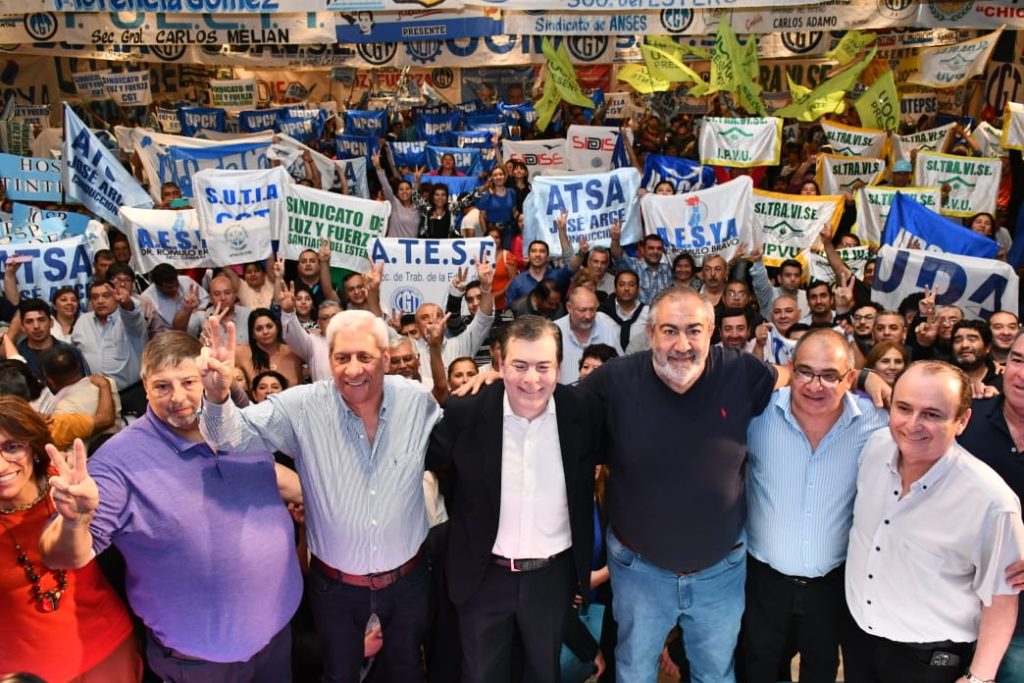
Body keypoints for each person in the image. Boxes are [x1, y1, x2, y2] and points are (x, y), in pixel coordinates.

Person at [40, 331, 303, 680]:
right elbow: (63, 557)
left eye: (189, 382)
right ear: (145, 386)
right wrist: (73, 523)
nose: (178, 398)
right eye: (162, 386)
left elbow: (272, 472)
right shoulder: (118, 462)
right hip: (201, 664)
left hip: (277, 642)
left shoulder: (239, 422)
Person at [198, 310, 441, 682]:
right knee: (339, 675)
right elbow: (231, 440)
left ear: (387, 359)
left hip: (408, 582)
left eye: (365, 357)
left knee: (407, 670)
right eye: (342, 358)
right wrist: (216, 396)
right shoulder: (300, 406)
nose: (353, 369)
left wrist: (493, 378)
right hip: (336, 588)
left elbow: (460, 421)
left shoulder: (416, 401)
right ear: (329, 360)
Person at [581, 287, 784, 682]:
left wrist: (862, 377)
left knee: (714, 673)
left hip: (720, 571)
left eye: (694, 330)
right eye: (670, 331)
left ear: (712, 332)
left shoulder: (740, 371)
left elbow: (794, 377)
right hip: (639, 570)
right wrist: (496, 376)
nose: (682, 344)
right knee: (635, 671)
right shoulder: (616, 379)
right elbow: (557, 404)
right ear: (651, 332)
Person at [426, 315, 605, 683]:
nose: (531, 379)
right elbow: (434, 466)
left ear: (559, 366)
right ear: (499, 363)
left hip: (551, 578)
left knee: (544, 672)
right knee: (479, 675)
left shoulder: (583, 412)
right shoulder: (466, 410)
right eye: (519, 365)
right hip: (481, 574)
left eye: (543, 366)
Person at [844, 361, 1024, 683]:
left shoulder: (991, 503)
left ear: (962, 421)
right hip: (860, 641)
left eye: (932, 414)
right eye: (904, 408)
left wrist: (979, 678)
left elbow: (1001, 599)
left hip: (928, 663)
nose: (913, 424)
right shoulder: (874, 448)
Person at [743, 329, 888, 682]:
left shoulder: (878, 422)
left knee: (821, 668)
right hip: (762, 580)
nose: (815, 385)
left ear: (850, 377)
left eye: (829, 375)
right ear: (792, 369)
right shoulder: (757, 415)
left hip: (832, 583)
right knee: (757, 666)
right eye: (806, 371)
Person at [0, 397, 140, 682]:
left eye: (11, 446)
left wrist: (76, 517)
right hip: (22, 670)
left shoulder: (71, 486)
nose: (1, 465)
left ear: (33, 447)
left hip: (105, 647)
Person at [959, 332, 1024, 682]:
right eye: (1017, 360)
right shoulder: (965, 421)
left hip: (1019, 629)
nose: (1022, 374)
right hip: (952, 613)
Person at [71, 278, 148, 419]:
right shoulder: (83, 321)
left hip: (131, 393)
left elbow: (133, 316)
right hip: (96, 396)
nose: (100, 301)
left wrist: (126, 304)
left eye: (106, 296)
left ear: (115, 296)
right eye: (95, 297)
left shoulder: (129, 320)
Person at [554, 287, 623, 385]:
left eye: (592, 310)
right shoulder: (553, 332)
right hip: (564, 396)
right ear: (569, 308)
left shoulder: (609, 328)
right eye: (582, 310)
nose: (588, 316)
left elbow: (620, 368)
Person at [15, 298, 89, 382]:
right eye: (29, 321)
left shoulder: (70, 352)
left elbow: (85, 385)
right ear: (22, 327)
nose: (36, 326)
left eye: (41, 320)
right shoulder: (16, 356)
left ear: (51, 323)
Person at [235, 308, 304, 389]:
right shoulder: (240, 352)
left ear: (277, 327)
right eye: (259, 329)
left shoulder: (293, 352)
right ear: (252, 334)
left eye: (269, 326)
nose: (265, 332)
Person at [609, 228, 673, 305]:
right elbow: (617, 256)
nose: (655, 251)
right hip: (638, 316)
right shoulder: (633, 266)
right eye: (651, 248)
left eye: (659, 248)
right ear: (643, 249)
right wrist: (615, 240)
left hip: (662, 315)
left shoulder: (668, 270)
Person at [599, 270, 647, 352]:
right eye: (622, 284)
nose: (626, 288)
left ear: (638, 288)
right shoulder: (601, 314)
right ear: (615, 288)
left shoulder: (648, 313)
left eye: (631, 285)